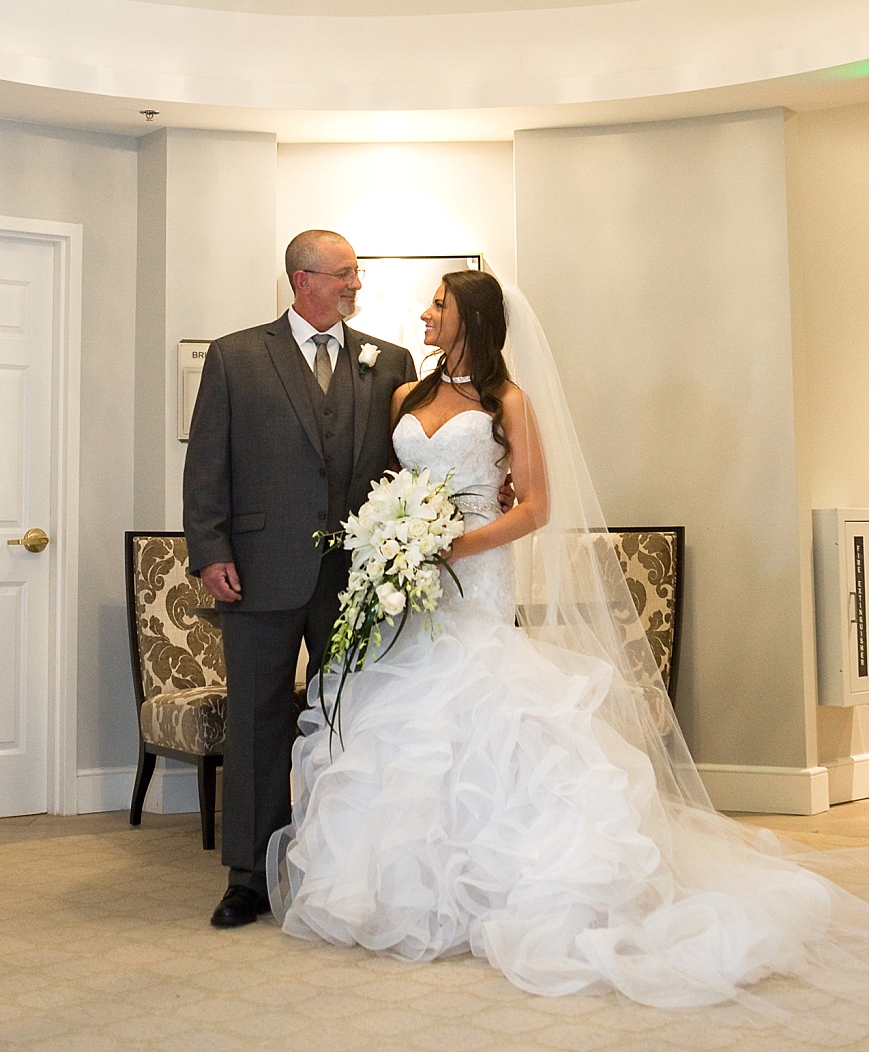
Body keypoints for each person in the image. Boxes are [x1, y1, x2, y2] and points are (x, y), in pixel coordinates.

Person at [267, 270, 865, 1006]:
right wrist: (396, 540)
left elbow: (537, 507)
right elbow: (389, 485)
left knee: (477, 712)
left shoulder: (507, 402)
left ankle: (500, 882)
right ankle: (405, 886)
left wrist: (453, 546)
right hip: (409, 587)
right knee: (401, 721)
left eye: (438, 305)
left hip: (475, 578)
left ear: (471, 320)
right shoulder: (405, 397)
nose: (424, 313)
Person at [182, 230, 418, 929]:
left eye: (355, 276)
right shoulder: (235, 356)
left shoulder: (390, 360)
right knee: (258, 721)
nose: (354, 286)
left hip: (358, 576)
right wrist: (209, 550)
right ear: (302, 278)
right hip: (256, 572)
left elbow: (404, 467)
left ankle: (346, 861)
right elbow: (206, 464)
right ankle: (249, 875)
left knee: (355, 720)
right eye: (343, 275)